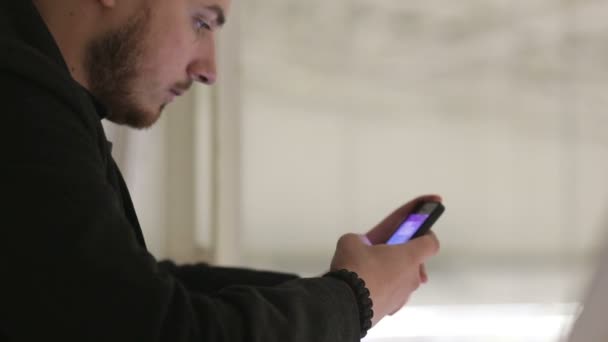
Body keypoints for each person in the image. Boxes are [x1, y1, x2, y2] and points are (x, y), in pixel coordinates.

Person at [0, 0, 441, 340]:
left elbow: (139, 290)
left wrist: (342, 285)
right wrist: (354, 298)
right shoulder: (21, 108)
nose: (209, 69)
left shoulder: (44, 102)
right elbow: (163, 330)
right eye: (201, 21)